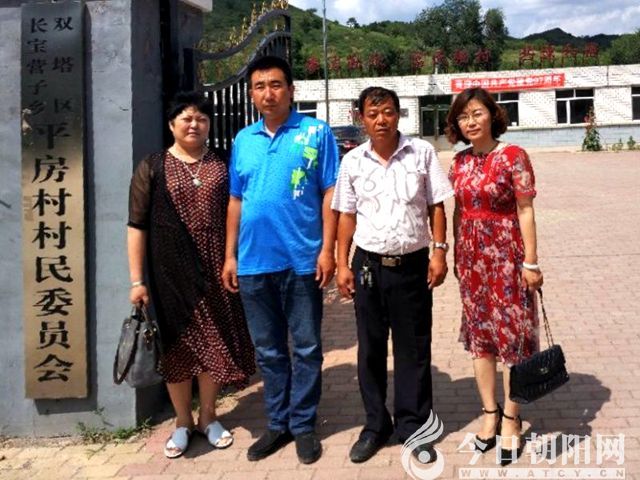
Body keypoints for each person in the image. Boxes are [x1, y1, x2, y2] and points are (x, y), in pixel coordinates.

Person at [221, 55, 339, 465]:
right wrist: (230, 256)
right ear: (251, 94)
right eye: (259, 86)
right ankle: (278, 423)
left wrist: (327, 250)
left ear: (291, 90)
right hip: (253, 263)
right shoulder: (243, 140)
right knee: (269, 351)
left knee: (306, 347)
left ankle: (303, 424)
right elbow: (236, 200)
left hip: (302, 260)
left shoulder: (316, 133)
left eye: (275, 85)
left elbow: (330, 192)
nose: (268, 93)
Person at [127, 91, 255, 459]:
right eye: (186, 118)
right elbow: (136, 225)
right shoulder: (153, 166)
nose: (194, 124)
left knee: (214, 342)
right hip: (170, 273)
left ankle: (208, 417)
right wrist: (137, 281)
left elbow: (239, 210)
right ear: (172, 125)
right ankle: (183, 421)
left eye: (201, 118)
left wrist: (234, 257)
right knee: (178, 347)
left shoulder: (222, 162)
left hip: (216, 267)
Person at [332, 86, 454, 463]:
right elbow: (346, 215)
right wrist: (341, 263)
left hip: (413, 266)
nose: (381, 120)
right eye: (372, 114)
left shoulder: (422, 153)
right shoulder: (353, 162)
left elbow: (436, 205)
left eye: (387, 112)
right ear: (362, 119)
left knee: (413, 349)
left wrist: (439, 251)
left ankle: (413, 425)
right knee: (370, 349)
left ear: (398, 114)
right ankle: (375, 425)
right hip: (368, 267)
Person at [445, 87, 543, 466]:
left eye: (476, 113)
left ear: (492, 115)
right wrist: (457, 252)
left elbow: (525, 210)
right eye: (462, 117)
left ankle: (512, 418)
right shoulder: (458, 162)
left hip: (507, 258)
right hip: (472, 260)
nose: (470, 122)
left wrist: (531, 262)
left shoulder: (513, 156)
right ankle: (490, 412)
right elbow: (458, 211)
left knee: (512, 338)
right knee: (481, 337)